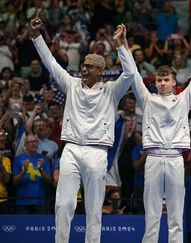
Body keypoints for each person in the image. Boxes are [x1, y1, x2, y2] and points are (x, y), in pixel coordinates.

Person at [30, 17, 135, 243]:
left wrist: (121, 44)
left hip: (97, 153)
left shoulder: (111, 91)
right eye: (84, 65)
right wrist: (37, 37)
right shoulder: (71, 84)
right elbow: (51, 63)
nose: (84, 68)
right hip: (71, 150)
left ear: (100, 70)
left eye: (89, 66)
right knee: (63, 203)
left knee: (94, 209)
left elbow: (129, 75)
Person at [129, 26, 191, 243]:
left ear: (174, 82)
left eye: (165, 80)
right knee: (151, 213)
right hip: (152, 158)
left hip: (175, 159)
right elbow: (132, 72)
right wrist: (123, 44)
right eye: (159, 80)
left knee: (176, 212)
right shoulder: (147, 99)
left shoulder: (183, 99)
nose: (161, 83)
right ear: (155, 82)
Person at [12, 134, 52, 214]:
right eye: (30, 142)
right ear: (25, 145)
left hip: (40, 201)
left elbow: (49, 181)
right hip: (22, 202)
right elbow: (14, 182)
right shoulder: (18, 159)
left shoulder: (44, 159)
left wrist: (41, 170)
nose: (33, 144)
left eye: (35, 141)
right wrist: (24, 171)